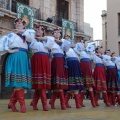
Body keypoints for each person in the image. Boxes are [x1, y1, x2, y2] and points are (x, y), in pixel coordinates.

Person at [0, 17, 35, 113]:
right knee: (18, 83)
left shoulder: (28, 33)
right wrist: (9, 50)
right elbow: (2, 43)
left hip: (24, 57)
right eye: (16, 24)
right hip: (15, 57)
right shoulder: (11, 35)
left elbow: (31, 38)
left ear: (24, 25)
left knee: (21, 84)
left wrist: (21, 31)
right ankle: (22, 105)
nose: (17, 25)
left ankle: (12, 103)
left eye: (20, 23)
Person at [30, 25, 54, 111]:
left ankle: (34, 103)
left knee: (41, 84)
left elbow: (50, 43)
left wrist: (43, 38)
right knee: (39, 83)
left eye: (40, 30)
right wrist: (35, 37)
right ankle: (44, 105)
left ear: (43, 31)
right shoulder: (33, 39)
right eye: (37, 30)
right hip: (37, 59)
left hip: (44, 60)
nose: (38, 31)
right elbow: (32, 46)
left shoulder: (47, 40)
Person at [49, 28, 68, 110]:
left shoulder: (63, 42)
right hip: (56, 60)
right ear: (53, 34)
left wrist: (62, 42)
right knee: (58, 84)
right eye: (55, 32)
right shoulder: (51, 41)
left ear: (60, 34)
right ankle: (62, 103)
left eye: (58, 33)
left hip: (62, 61)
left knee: (59, 84)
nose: (56, 34)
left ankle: (52, 101)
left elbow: (69, 47)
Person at [64, 35, 84, 109]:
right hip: (70, 63)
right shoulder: (64, 44)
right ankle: (76, 104)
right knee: (72, 84)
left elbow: (81, 49)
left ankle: (66, 102)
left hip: (76, 63)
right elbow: (65, 47)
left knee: (75, 85)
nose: (68, 39)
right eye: (66, 38)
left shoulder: (74, 48)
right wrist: (72, 44)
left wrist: (80, 44)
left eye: (69, 38)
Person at [74, 43, 96, 107]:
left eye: (83, 43)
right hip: (83, 66)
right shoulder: (79, 51)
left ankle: (91, 102)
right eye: (82, 43)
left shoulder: (89, 52)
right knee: (85, 86)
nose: (83, 44)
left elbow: (93, 58)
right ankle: (83, 102)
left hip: (88, 67)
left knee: (88, 86)